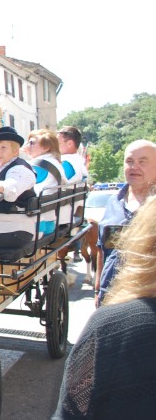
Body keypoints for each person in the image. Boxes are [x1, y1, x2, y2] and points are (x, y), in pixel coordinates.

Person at [52, 196, 156, 419]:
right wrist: (98, 285)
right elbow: (101, 247)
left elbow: (70, 412)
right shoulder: (114, 203)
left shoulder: (108, 328)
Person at [94, 139, 156, 306]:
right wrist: (98, 289)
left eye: (142, 162)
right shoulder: (114, 202)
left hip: (147, 303)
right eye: (129, 161)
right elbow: (102, 248)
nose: (134, 167)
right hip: (110, 298)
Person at [0, 126, 37, 259]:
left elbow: (11, 185)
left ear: (15, 150)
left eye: (3, 148)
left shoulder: (21, 169)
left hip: (13, 230)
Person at [25, 129, 68, 234]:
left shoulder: (38, 165)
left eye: (31, 143)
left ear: (46, 148)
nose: (27, 146)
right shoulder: (54, 162)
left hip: (38, 223)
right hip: (49, 220)